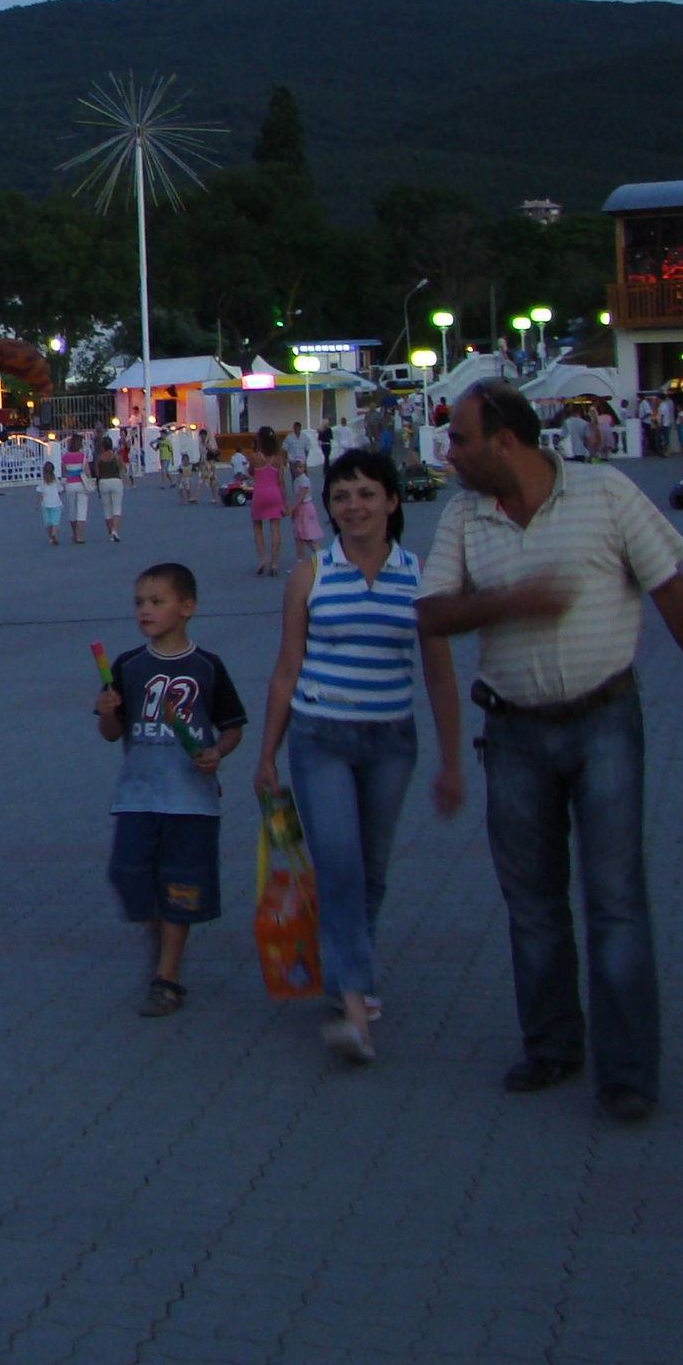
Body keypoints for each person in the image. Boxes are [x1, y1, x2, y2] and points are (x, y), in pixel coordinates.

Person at [417, 380, 683, 1124]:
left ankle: (628, 1070)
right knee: (531, 901)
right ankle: (552, 1044)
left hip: (603, 719)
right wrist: (506, 601)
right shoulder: (464, 517)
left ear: (505, 440)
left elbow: (671, 593)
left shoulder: (605, 493)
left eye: (463, 438)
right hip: (512, 730)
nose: (452, 452)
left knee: (616, 900)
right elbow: (432, 613)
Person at [254, 450, 463, 1063]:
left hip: (390, 740)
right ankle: (352, 1000)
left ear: (393, 502)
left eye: (367, 494)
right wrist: (268, 752)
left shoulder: (419, 575)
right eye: (342, 496)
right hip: (321, 736)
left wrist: (451, 760)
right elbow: (287, 668)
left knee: (371, 868)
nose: (354, 506)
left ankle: (348, 962)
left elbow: (440, 675)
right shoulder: (310, 574)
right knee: (339, 862)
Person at [94, 563, 246, 1018]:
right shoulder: (127, 665)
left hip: (191, 801)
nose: (145, 610)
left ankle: (168, 976)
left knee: (181, 887)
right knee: (127, 873)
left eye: (156, 601)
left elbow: (233, 726)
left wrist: (217, 752)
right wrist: (106, 711)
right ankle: (160, 938)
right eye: (139, 602)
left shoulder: (207, 667)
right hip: (137, 795)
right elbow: (110, 732)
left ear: (187, 608)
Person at [249, 428, 288, 576]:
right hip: (275, 493)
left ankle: (262, 559)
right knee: (275, 528)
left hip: (259, 493)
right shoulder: (279, 458)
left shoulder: (254, 457)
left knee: (258, 527)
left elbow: (251, 472)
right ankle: (275, 562)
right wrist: (285, 502)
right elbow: (281, 482)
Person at [93, 433, 126, 541]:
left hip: (103, 482)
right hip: (116, 481)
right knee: (116, 508)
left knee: (107, 509)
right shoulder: (116, 456)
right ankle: (114, 531)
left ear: (103, 446)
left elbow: (97, 473)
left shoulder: (99, 458)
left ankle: (110, 533)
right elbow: (124, 468)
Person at [60, 433, 91, 543]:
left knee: (72, 509)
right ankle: (79, 535)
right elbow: (87, 471)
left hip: (70, 484)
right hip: (81, 483)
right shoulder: (82, 456)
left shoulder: (65, 456)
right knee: (82, 509)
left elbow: (63, 472)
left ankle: (74, 533)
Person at [36, 468, 65, 544]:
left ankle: (50, 538)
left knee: (48, 522)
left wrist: (37, 503)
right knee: (55, 521)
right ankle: (54, 533)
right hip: (56, 503)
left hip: (45, 504)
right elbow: (60, 491)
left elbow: (39, 493)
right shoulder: (56, 481)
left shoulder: (42, 482)